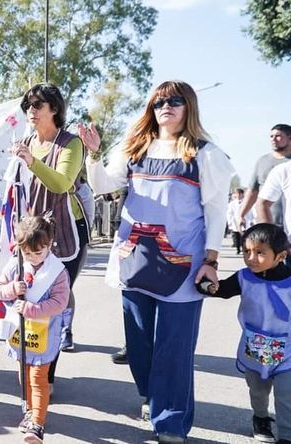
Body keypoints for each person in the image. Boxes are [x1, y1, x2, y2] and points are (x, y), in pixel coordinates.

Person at [80, 80, 234, 442]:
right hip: (135, 258)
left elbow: (215, 212)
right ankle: (152, 395)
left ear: (188, 107)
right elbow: (102, 185)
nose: (167, 106)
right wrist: (93, 154)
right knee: (138, 344)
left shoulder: (205, 154)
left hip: (184, 264)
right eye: (159, 101)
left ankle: (171, 423)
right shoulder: (135, 147)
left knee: (174, 348)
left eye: (175, 101)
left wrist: (211, 260)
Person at [12, 83, 88, 358]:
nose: (30, 111)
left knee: (57, 287)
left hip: (65, 231)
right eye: (28, 106)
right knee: (37, 293)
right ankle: (40, 364)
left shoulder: (71, 143)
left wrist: (32, 161)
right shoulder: (26, 142)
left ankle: (52, 361)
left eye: (37, 105)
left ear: (54, 108)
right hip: (33, 231)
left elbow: (61, 183)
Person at [202, 224, 291, 444]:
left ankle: (287, 436)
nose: (251, 258)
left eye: (260, 253)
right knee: (258, 391)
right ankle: (260, 418)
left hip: (288, 349)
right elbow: (222, 290)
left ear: (281, 256)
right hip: (255, 348)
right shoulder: (244, 277)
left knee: (286, 394)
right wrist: (209, 287)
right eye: (247, 251)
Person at [0, 216, 70, 444]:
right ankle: (30, 409)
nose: (33, 257)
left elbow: (60, 303)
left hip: (45, 333)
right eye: (28, 253)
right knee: (24, 374)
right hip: (20, 332)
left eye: (39, 252)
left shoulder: (57, 271)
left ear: (49, 244)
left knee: (38, 377)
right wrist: (12, 289)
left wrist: (33, 308)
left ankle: (37, 423)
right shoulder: (15, 263)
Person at [240, 124, 291, 228]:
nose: (273, 139)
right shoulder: (262, 161)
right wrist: (241, 214)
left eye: (278, 136)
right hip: (267, 222)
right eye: (271, 136)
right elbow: (253, 191)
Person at [226, 188, 248, 254]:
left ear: (242, 194)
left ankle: (244, 249)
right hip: (235, 221)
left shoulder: (246, 202)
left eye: (240, 194)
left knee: (243, 236)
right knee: (236, 236)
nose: (238, 195)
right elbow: (229, 213)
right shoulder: (232, 204)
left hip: (244, 221)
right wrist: (230, 222)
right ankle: (238, 249)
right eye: (237, 194)